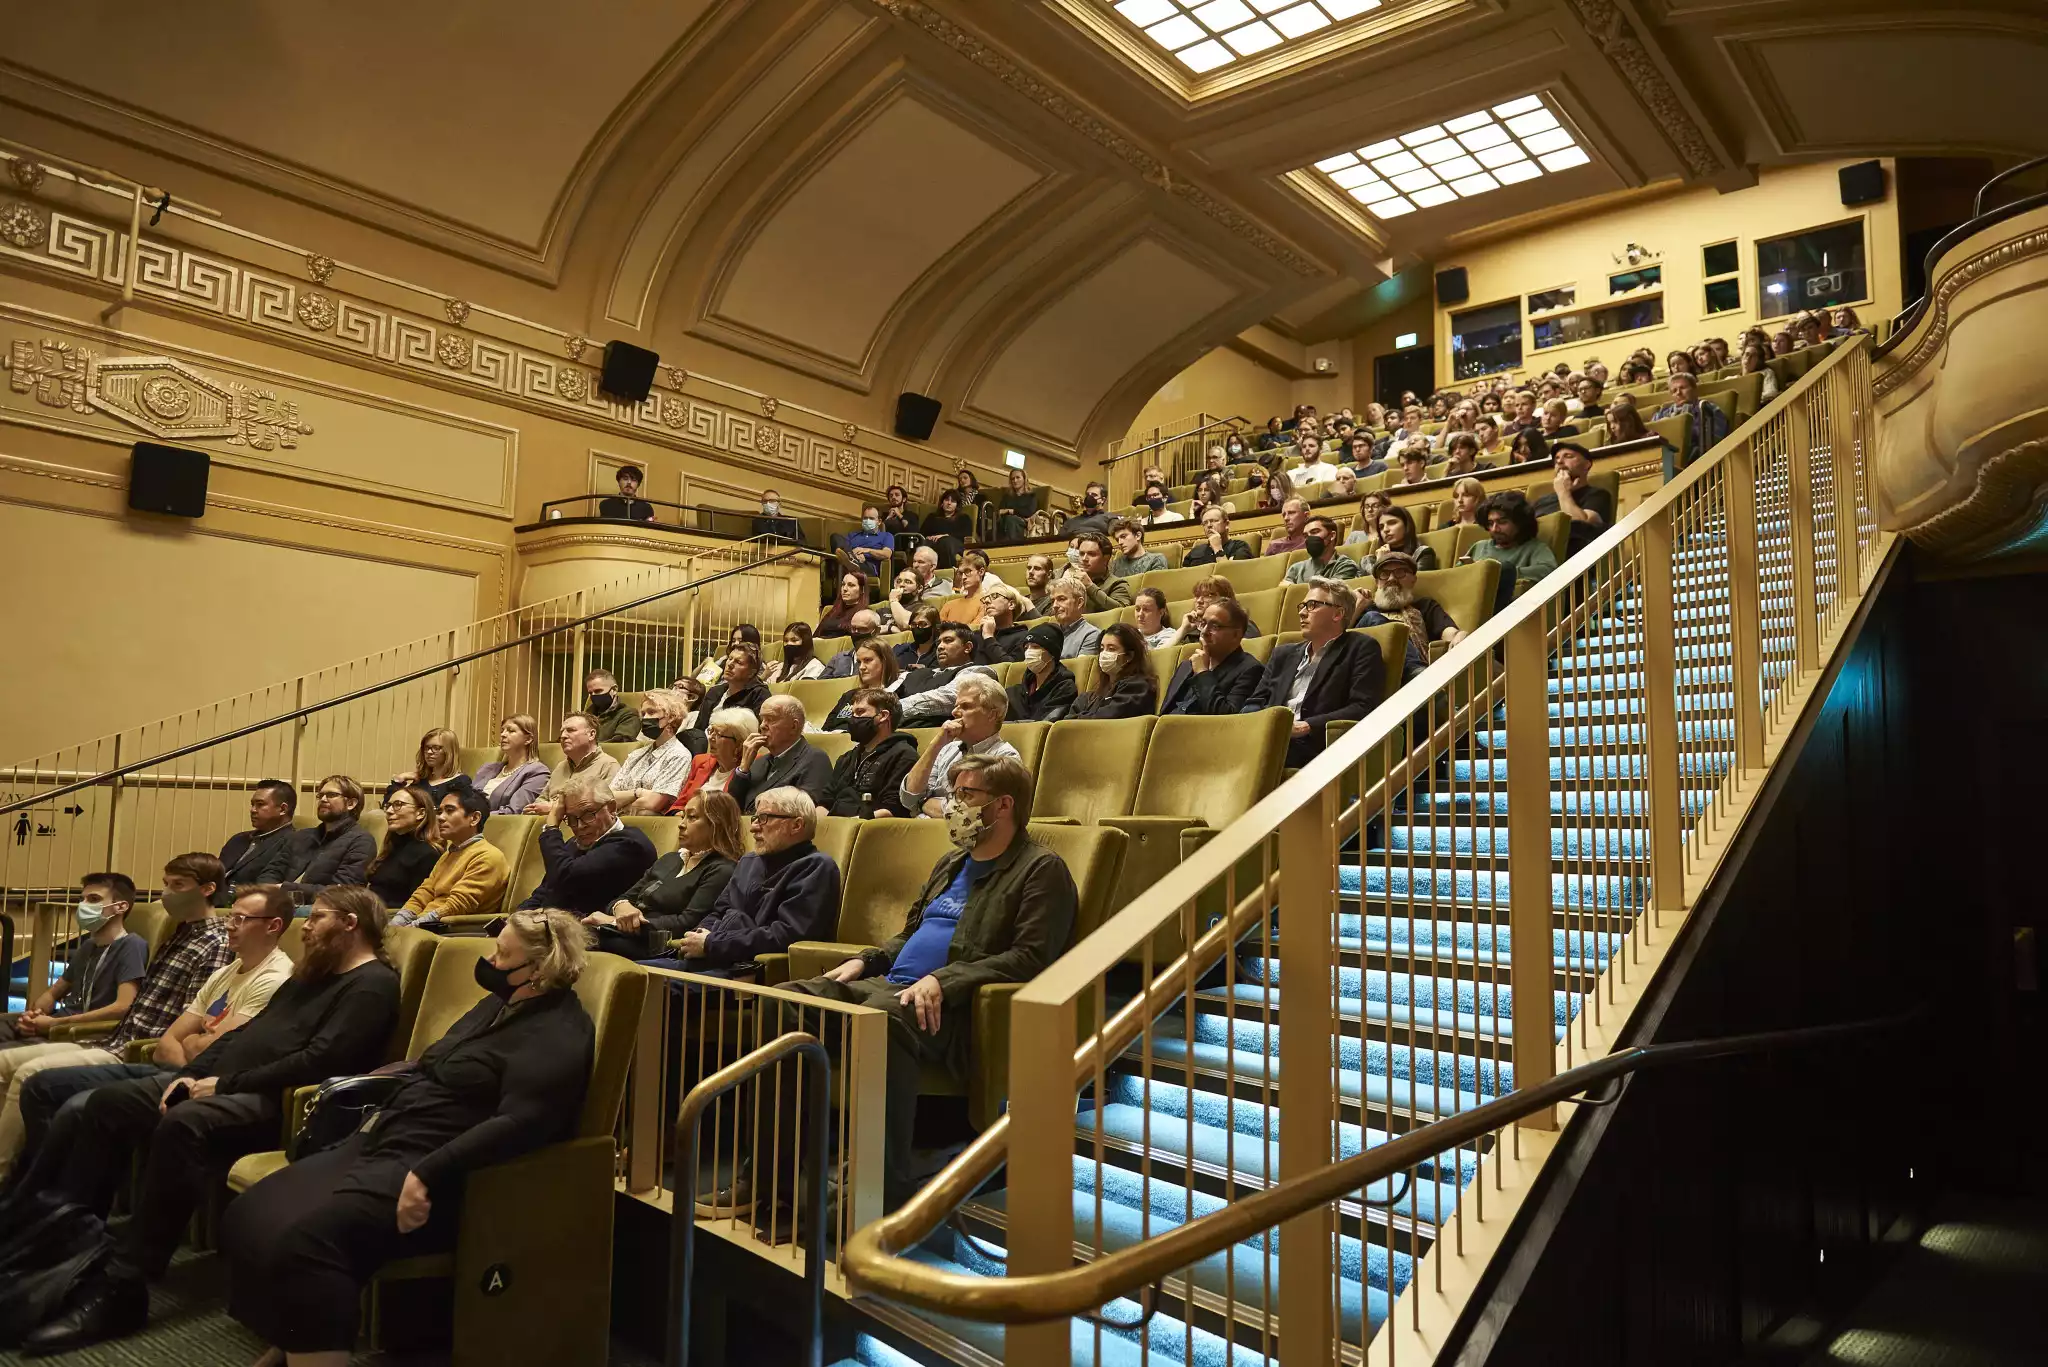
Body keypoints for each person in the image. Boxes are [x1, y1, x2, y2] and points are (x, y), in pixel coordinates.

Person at [10, 885, 402, 1355]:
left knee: (184, 1124)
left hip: (277, 1102)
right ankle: (72, 1248)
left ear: (350, 924)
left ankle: (124, 1288)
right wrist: (192, 1073)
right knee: (105, 1104)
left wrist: (223, 1084)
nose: (307, 927)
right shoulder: (308, 976)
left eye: (317, 917)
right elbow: (248, 1032)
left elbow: (321, 1060)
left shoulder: (373, 983)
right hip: (223, 1081)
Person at [218, 909, 594, 1365]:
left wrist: (426, 1174)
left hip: (439, 1165)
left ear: (539, 970)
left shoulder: (559, 1033)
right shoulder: (499, 1003)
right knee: (253, 1212)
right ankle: (296, 1339)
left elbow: (519, 1124)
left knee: (311, 1241)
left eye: (502, 954)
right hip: (387, 1137)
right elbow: (436, 1060)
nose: (491, 961)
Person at [764, 756, 1075, 1211]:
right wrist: (867, 959)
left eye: (967, 795)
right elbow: (910, 932)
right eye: (953, 794)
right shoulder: (952, 862)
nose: (953, 805)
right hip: (890, 986)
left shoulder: (1041, 870)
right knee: (783, 1001)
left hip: (951, 1011)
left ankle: (877, 1191)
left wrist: (944, 980)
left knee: (883, 1019)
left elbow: (1032, 957)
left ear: (1004, 804)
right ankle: (774, 1176)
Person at [0, 855, 231, 1182]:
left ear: (207, 889)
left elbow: (191, 1015)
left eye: (177, 885)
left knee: (29, 1075)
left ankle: (18, 1180)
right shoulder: (178, 933)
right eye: (165, 884)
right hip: (113, 1040)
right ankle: (14, 1167)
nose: (165, 893)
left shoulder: (215, 942)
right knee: (4, 1063)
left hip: (137, 1050)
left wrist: (57, 1024)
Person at [655, 788, 840, 978]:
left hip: (745, 973)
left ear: (796, 825)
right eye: (755, 819)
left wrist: (712, 943)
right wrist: (698, 935)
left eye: (764, 818)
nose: (753, 827)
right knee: (634, 973)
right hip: (709, 959)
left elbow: (787, 935)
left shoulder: (816, 867)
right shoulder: (749, 861)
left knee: (645, 987)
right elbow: (719, 911)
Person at [584, 791, 742, 960]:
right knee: (570, 931)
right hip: (628, 936)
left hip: (661, 947)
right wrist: (621, 907)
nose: (681, 824)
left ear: (716, 824)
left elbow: (686, 923)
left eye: (692, 817)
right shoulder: (670, 859)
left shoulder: (722, 869)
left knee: (577, 939)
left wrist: (615, 923)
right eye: (683, 817)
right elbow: (622, 898)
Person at [1245, 577, 1384, 769]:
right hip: (1270, 738)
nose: (1302, 613)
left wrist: (1306, 726)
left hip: (1317, 745)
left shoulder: (1361, 648)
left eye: (1312, 605)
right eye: (1302, 606)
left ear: (1337, 614)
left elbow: (1362, 706)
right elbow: (1254, 702)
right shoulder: (1283, 654)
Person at [0, 872, 146, 1048]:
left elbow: (123, 1007)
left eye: (93, 899)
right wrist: (32, 1017)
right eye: (82, 899)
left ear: (120, 907)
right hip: (58, 1023)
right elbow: (54, 992)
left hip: (80, 1032)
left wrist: (54, 1024)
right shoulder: (88, 946)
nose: (83, 906)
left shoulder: (132, 945)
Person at [513, 778, 658, 920]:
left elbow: (566, 877)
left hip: (593, 934)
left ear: (611, 808)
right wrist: (518, 917)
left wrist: (551, 828)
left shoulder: (630, 845)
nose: (580, 826)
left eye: (589, 814)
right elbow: (545, 891)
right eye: (571, 818)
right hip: (553, 927)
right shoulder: (574, 844)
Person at [898, 673, 1019, 818]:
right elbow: (909, 798)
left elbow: (968, 812)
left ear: (992, 715)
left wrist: (924, 803)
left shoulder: (1005, 758)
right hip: (923, 832)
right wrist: (935, 745)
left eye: (966, 706)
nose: (954, 712)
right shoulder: (946, 749)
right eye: (956, 706)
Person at [393, 787, 509, 929]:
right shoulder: (449, 853)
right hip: (426, 924)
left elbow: (456, 906)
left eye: (450, 810)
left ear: (474, 818)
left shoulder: (488, 856)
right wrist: (397, 922)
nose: (440, 818)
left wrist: (412, 927)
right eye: (439, 811)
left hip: (450, 930)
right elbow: (424, 892)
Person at [1357, 550, 1465, 682]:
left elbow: (1450, 633)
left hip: (1415, 678)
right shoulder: (1367, 609)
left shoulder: (1425, 606)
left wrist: (1460, 635)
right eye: (1384, 574)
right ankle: (1419, 675)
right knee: (1371, 617)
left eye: (1399, 572)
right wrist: (1356, 608)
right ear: (1377, 582)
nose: (1391, 579)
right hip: (1374, 677)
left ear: (1413, 579)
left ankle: (1419, 677)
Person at [819, 690, 921, 820]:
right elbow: (825, 802)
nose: (853, 719)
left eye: (860, 712)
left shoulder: (904, 756)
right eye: (852, 714)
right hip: (834, 830)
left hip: (870, 832)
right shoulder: (847, 758)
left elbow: (893, 809)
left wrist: (848, 827)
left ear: (883, 716)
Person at [1161, 595, 1265, 716]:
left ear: (1236, 635)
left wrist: (1202, 673)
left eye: (1214, 626)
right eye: (1203, 623)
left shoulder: (1251, 669)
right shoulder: (1187, 666)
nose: (1204, 631)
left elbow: (1227, 718)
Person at [728, 695, 834, 811]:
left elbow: (804, 810)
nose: (762, 725)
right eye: (762, 719)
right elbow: (731, 809)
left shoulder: (815, 759)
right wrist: (743, 768)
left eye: (770, 719)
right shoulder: (757, 762)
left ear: (794, 726)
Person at [281, 774, 376, 904]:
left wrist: (284, 889)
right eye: (320, 796)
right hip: (279, 901)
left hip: (320, 906)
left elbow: (342, 892)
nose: (323, 799)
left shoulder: (361, 841)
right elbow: (273, 870)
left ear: (351, 803)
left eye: (331, 795)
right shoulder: (300, 836)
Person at [607, 688, 699, 814]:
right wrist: (637, 793)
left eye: (651, 712)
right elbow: (608, 798)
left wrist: (622, 804)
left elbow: (653, 803)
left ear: (671, 717)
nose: (645, 719)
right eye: (643, 714)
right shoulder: (636, 754)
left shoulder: (679, 755)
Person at [1464, 492, 1560, 610]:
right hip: (1469, 605)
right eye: (1490, 523)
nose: (1494, 529)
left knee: (1505, 569)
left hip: (1507, 610)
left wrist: (1500, 573)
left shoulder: (1534, 547)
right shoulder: (1479, 546)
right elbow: (1456, 574)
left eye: (1502, 522)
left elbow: (1549, 570)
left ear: (1520, 523)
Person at [215, 779, 301, 906]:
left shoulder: (293, 842)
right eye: (252, 804)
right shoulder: (238, 839)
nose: (253, 810)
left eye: (260, 804)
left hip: (247, 907)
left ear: (283, 809)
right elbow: (216, 875)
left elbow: (269, 886)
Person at [898, 624, 1001, 727]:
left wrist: (891, 710)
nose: (940, 647)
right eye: (938, 643)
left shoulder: (979, 671)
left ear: (967, 647)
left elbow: (948, 698)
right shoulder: (914, 674)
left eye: (948, 640)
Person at [526, 712, 621, 824]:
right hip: (546, 827)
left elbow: (604, 808)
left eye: (571, 730)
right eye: (562, 732)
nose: (563, 736)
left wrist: (554, 809)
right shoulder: (561, 767)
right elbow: (542, 800)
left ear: (591, 734)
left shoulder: (608, 765)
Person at [1531, 441, 1615, 557]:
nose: (1559, 461)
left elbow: (1581, 526)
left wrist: (1563, 492)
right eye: (1556, 459)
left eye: (1568, 456)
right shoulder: (1542, 501)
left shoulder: (1598, 495)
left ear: (1587, 464)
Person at [368, 783, 441, 909]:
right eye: (388, 805)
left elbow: (417, 904)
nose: (389, 811)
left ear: (420, 813)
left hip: (392, 919)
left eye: (398, 805)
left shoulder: (428, 854)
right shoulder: (392, 847)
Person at [690, 643, 772, 741]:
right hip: (704, 745)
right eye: (730, 658)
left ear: (751, 673)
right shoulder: (714, 691)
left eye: (738, 662)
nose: (730, 664)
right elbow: (698, 729)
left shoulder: (759, 694)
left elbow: (760, 734)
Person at [1072, 623, 1156, 719]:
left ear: (1129, 656)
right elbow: (1067, 721)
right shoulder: (1091, 696)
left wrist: (1077, 719)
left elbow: (1105, 719)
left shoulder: (1137, 687)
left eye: (1111, 649)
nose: (1104, 654)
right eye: (1102, 649)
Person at [470, 714, 550, 815]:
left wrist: (473, 818)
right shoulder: (487, 768)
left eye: (511, 731)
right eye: (502, 730)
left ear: (528, 739)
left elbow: (514, 811)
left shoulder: (537, 772)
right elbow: (466, 801)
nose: (503, 734)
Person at [679, 707, 757, 801]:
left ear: (739, 744)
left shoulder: (754, 766)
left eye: (719, 734)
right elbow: (679, 803)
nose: (711, 738)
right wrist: (678, 812)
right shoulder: (700, 761)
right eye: (711, 731)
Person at [1006, 622, 1077, 723]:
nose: (1028, 652)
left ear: (1052, 653)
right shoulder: (1014, 692)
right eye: (1026, 648)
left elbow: (1044, 724)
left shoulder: (1065, 688)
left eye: (1035, 647)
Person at [385, 727, 470, 809]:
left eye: (436, 748)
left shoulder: (460, 782)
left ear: (449, 751)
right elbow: (390, 807)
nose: (429, 752)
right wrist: (400, 779)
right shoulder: (421, 781)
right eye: (427, 748)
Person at [822, 645, 898, 730]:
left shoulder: (894, 696)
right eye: (859, 662)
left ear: (885, 661)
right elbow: (826, 728)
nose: (861, 667)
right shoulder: (849, 695)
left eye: (867, 660)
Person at [1654, 371, 1731, 455]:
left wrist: (1680, 429)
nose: (1678, 393)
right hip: (1663, 457)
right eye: (1674, 391)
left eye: (1682, 388)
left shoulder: (1707, 408)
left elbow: (1715, 438)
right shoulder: (1661, 414)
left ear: (1694, 389)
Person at [1284, 514, 1361, 583]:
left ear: (1332, 535)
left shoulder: (1345, 565)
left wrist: (1294, 588)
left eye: (1314, 532)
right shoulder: (1296, 569)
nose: (1309, 538)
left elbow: (1332, 593)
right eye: (1306, 536)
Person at [1071, 534, 1134, 611]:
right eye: (1081, 554)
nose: (1084, 559)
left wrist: (1090, 586)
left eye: (1091, 554)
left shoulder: (1117, 584)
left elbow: (1122, 611)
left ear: (1106, 559)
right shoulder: (1072, 582)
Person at [583, 668, 643, 744]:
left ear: (614, 690)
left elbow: (620, 742)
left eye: (598, 691)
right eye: (591, 693)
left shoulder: (628, 714)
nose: (593, 696)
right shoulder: (586, 715)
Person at [1046, 578, 1101, 659]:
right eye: (1052, 601)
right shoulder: (1048, 634)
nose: (1055, 606)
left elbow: (1080, 670)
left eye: (1061, 599)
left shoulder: (1092, 635)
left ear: (1079, 603)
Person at [1182, 503, 1253, 566]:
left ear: (1226, 524)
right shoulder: (1195, 552)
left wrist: (1217, 548)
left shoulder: (1239, 547)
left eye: (1213, 521)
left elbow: (1233, 575)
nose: (1209, 525)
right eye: (1205, 523)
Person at [821, 608, 885, 676]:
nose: (856, 633)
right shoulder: (838, 658)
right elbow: (820, 684)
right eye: (853, 628)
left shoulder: (885, 657)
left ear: (876, 631)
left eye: (862, 629)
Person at [938, 551, 995, 626]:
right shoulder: (948, 605)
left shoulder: (987, 603)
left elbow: (974, 630)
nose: (963, 577)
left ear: (981, 572)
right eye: (961, 573)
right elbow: (938, 631)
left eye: (968, 571)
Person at [1373, 504, 1437, 570]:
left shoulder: (1422, 553)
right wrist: (1379, 561)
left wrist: (1383, 563)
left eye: (1392, 523)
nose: (1385, 530)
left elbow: (1414, 579)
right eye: (1381, 527)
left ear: (1406, 525)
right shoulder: (1367, 562)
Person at [920, 489, 974, 567]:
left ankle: (947, 571)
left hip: (954, 543)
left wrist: (945, 535)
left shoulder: (963, 518)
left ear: (957, 505)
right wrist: (928, 537)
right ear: (942, 502)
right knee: (924, 544)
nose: (949, 503)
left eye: (952, 501)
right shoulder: (932, 517)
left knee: (945, 542)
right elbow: (922, 533)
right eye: (946, 500)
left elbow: (966, 534)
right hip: (933, 543)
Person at [841, 506, 894, 582]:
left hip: (867, 566)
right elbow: (843, 548)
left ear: (879, 521)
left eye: (871, 519)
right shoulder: (852, 535)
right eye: (865, 518)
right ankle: (851, 561)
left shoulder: (886, 536)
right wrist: (853, 555)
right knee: (835, 537)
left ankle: (852, 562)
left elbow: (887, 554)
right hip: (849, 561)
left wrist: (867, 550)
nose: (868, 521)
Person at [817, 574, 871, 640]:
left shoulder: (865, 615)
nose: (844, 589)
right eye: (843, 584)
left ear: (862, 590)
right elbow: (817, 634)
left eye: (851, 585)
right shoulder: (834, 610)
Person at [995, 469, 1039, 543]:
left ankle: (1011, 547)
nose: (1015, 481)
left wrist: (1010, 511)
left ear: (1024, 479)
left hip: (1023, 524)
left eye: (1018, 477)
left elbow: (1028, 512)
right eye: (1012, 479)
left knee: (1011, 520)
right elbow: (1000, 511)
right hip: (1005, 523)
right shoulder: (1007, 496)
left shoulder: (1031, 496)